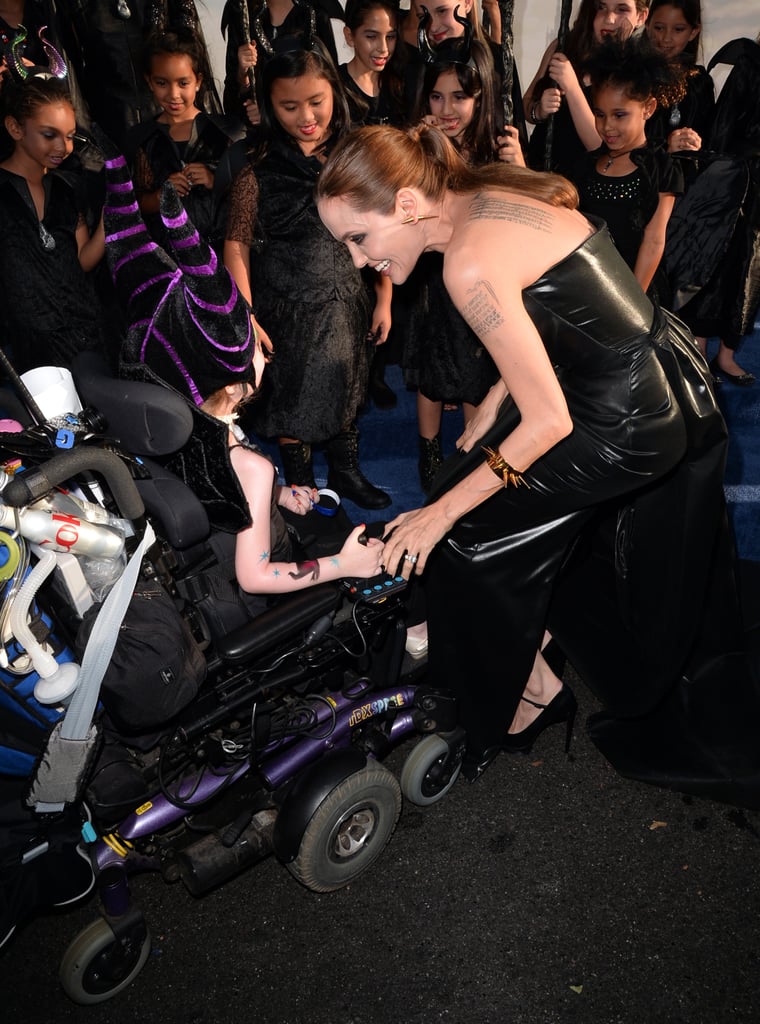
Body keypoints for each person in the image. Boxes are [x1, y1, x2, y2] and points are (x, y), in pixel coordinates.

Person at [316, 123, 730, 783]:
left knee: (464, 534)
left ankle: (528, 696)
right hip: (658, 377)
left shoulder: (466, 262)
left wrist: (442, 515)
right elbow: (557, 296)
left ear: (405, 205)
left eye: (357, 240)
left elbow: (548, 423)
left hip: (625, 420)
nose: (360, 262)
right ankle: (530, 641)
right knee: (467, 483)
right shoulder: (484, 192)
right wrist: (498, 394)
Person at [100, 134, 386, 599]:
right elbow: (258, 575)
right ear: (235, 387)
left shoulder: (172, 421)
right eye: (255, 344)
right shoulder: (250, 468)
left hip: (214, 561)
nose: (264, 349)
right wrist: (343, 564)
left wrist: (279, 494)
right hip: (259, 580)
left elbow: (219, 476)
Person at [223, 39, 392, 509]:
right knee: (293, 400)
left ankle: (347, 470)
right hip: (287, 309)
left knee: (348, 385)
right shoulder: (256, 169)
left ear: (334, 94)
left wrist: (385, 297)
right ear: (269, 106)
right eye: (289, 106)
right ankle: (300, 485)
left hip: (349, 302)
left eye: (316, 101)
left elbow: (385, 230)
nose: (306, 116)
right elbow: (235, 243)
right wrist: (247, 316)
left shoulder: (354, 156)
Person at [406, 27, 515, 491]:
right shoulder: (422, 146)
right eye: (436, 97)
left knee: (477, 371)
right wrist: (418, 145)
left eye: (458, 98)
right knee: (432, 372)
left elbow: (520, 208)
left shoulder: (498, 146)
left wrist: (520, 166)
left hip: (482, 278)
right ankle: (429, 453)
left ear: (481, 97)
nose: (446, 110)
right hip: (433, 279)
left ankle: (471, 454)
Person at [0, 55, 106, 374]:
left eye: (71, 135)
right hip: (27, 357)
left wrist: (110, 218)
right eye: (50, 135)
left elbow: (82, 259)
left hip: (85, 344)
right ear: (15, 127)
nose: (64, 146)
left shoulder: (68, 188)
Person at [574, 35, 685, 302]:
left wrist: (632, 302)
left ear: (648, 108)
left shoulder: (660, 169)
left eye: (619, 115)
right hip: (586, 288)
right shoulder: (587, 164)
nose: (607, 126)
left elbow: (654, 241)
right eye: (600, 114)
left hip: (635, 293)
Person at [125, 27, 244, 255]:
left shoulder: (225, 132)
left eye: (183, 83)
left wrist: (214, 180)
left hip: (219, 255)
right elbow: (135, 202)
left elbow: (246, 197)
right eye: (162, 83)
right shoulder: (142, 139)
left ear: (198, 81)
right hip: (167, 260)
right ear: (149, 82)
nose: (173, 94)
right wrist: (160, 195)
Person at [523, 0, 649, 176]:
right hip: (541, 171)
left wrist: (572, 87)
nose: (609, 19)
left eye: (622, 9)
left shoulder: (636, 70)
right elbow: (526, 106)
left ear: (641, 17)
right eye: (601, 7)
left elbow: (601, 147)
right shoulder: (564, 46)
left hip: (585, 183)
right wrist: (539, 111)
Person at [644, 0, 714, 154]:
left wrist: (695, 143)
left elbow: (710, 138)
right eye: (659, 28)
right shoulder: (632, 76)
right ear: (647, 23)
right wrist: (664, 148)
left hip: (685, 175)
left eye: (678, 29)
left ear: (693, 32)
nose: (666, 38)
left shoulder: (700, 82)